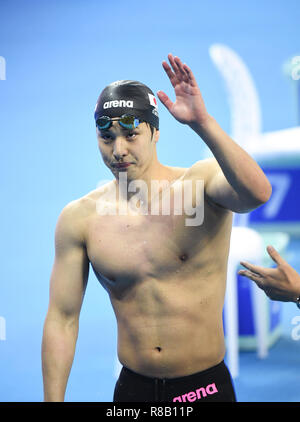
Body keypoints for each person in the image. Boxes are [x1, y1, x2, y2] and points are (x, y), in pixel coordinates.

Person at [41, 53, 272, 402]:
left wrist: (202, 121)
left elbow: (258, 193)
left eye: (131, 135)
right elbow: (62, 318)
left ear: (155, 132)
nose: (118, 150)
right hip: (133, 390)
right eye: (107, 139)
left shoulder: (200, 186)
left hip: (204, 388)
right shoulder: (80, 218)